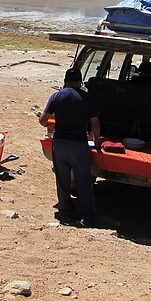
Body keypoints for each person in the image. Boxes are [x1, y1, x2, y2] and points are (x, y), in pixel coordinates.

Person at [39, 68, 101, 227]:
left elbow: (42, 120)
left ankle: (66, 213)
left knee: (62, 180)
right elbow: (95, 125)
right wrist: (98, 142)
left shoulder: (57, 96)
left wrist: (51, 122)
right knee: (84, 181)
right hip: (79, 145)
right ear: (80, 82)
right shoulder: (88, 98)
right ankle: (88, 217)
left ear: (65, 81)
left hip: (60, 144)